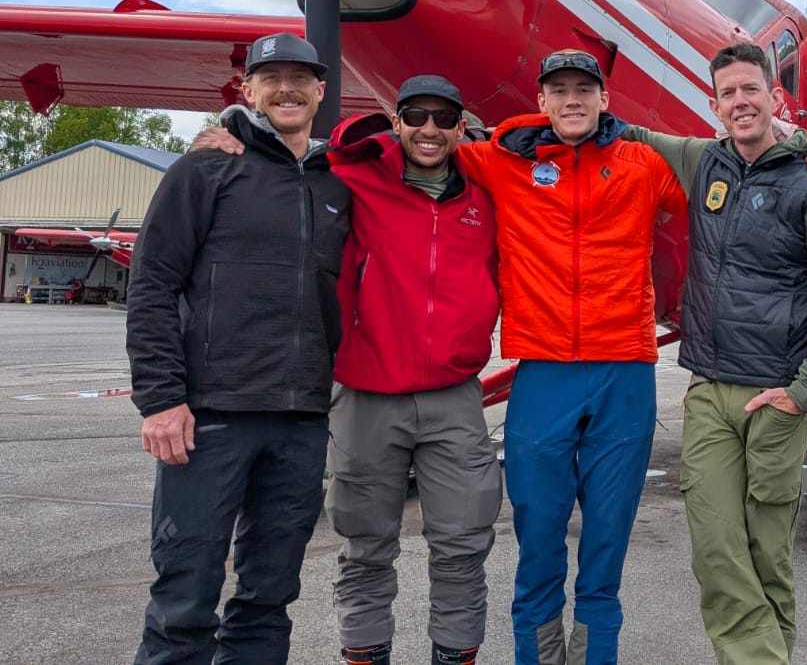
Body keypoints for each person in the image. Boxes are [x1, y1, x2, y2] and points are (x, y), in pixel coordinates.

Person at [189, 75, 504, 665]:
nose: (429, 129)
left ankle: (454, 655)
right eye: (416, 116)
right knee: (364, 548)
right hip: (364, 395)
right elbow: (287, 156)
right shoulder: (352, 177)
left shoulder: (486, 194)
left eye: (443, 118)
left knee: (463, 545)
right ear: (397, 123)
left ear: (462, 128)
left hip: (456, 397)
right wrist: (234, 127)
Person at [624, 42, 807, 664]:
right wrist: (491, 133)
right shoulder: (702, 161)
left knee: (768, 555)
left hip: (777, 397)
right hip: (709, 390)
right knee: (715, 547)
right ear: (714, 105)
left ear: (772, 97)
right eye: (727, 93)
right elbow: (617, 128)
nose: (739, 102)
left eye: (749, 90)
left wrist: (802, 392)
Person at [451, 50, 686, 665]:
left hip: (624, 374)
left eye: (585, 88)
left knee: (606, 541)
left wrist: (806, 152)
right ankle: (538, 656)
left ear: (606, 99)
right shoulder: (500, 161)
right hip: (542, 373)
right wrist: (231, 130)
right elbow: (409, 146)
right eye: (560, 90)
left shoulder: (644, 163)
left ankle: (594, 656)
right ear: (542, 100)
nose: (573, 100)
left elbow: (729, 178)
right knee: (538, 538)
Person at [126, 32, 350, 664]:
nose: (287, 88)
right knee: (185, 596)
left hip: (301, 419)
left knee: (268, 596)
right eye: (270, 77)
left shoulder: (338, 184)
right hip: (209, 417)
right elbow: (152, 284)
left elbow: (417, 150)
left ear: (320, 91)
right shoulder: (206, 167)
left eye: (301, 78)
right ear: (246, 90)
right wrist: (161, 400)